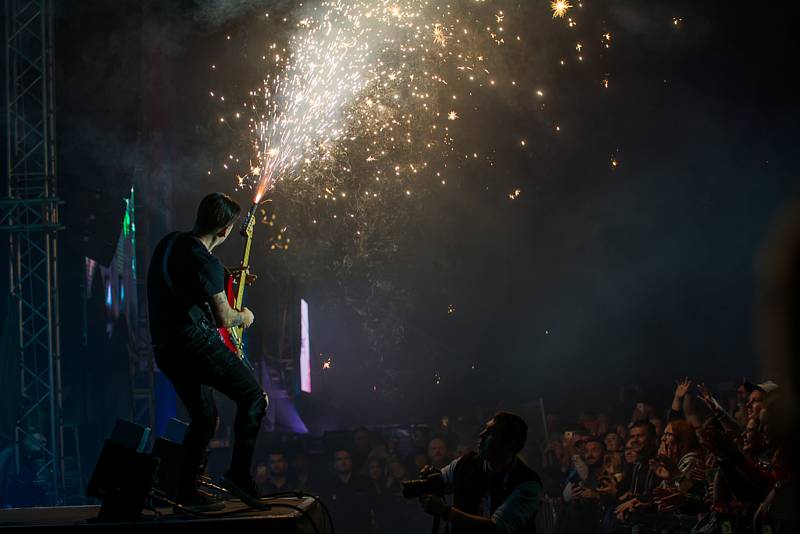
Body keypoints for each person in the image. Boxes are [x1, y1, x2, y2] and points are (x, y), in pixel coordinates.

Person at [147, 193, 268, 511]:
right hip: (193, 347)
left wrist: (226, 277)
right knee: (254, 397)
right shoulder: (206, 263)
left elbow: (189, 280)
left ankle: (185, 492)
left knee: (204, 417)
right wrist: (246, 316)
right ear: (226, 230)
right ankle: (239, 475)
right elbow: (223, 319)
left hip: (166, 351)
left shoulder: (171, 243)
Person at [418, 412, 542, 534]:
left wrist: (445, 512)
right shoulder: (465, 463)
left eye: (491, 433)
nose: (481, 434)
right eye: (485, 430)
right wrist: (429, 478)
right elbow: (439, 482)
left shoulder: (528, 483)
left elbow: (496, 528)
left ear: (509, 444)